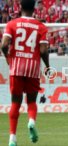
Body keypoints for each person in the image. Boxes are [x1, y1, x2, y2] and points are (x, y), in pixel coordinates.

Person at [0, 0, 49, 146]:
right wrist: (47, 65)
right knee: (32, 101)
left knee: (15, 103)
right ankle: (32, 121)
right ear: (34, 8)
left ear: (20, 7)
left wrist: (8, 58)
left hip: (16, 68)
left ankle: (12, 139)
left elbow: (4, 45)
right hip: (32, 68)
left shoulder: (11, 24)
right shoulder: (40, 26)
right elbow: (44, 50)